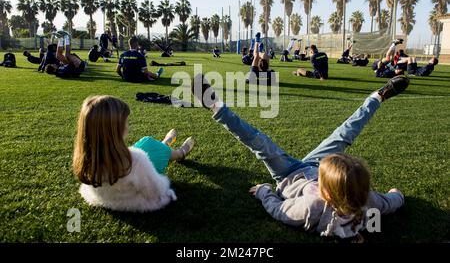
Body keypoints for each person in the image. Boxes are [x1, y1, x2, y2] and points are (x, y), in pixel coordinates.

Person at [191, 73, 409, 239]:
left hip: (287, 174)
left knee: (258, 141)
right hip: (315, 166)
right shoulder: (368, 200)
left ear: (328, 194)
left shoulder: (309, 210)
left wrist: (263, 191)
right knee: (345, 133)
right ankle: (378, 97)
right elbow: (391, 202)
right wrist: (396, 194)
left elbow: (278, 209)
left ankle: (215, 106)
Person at [73, 95, 195, 212]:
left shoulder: (87, 158)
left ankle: (164, 143)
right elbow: (157, 191)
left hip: (106, 198)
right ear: (116, 129)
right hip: (136, 202)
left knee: (146, 143)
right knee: (151, 145)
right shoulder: (135, 159)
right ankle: (179, 153)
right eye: (125, 121)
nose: (128, 125)